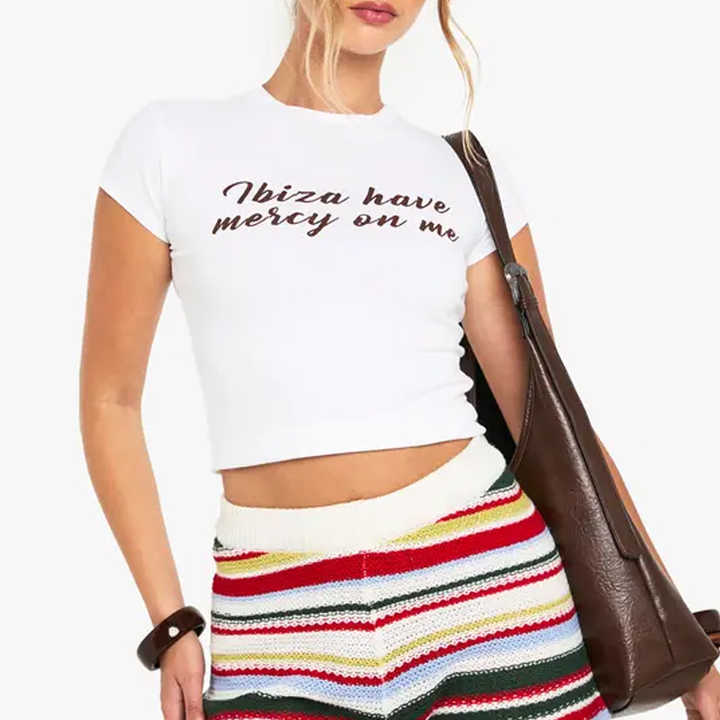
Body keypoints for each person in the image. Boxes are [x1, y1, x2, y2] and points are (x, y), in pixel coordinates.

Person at [79, 1, 720, 719]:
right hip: (274, 614)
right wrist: (169, 622)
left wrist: (682, 640)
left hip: (491, 592)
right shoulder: (168, 146)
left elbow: (554, 424)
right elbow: (110, 400)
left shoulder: (461, 173)